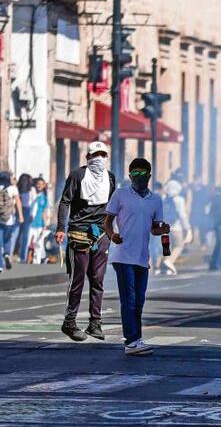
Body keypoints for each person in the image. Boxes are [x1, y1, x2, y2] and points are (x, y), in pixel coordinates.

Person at [104, 158, 168, 356]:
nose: (139, 178)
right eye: (135, 174)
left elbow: (155, 229)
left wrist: (163, 230)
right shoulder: (121, 194)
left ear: (149, 175)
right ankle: (131, 341)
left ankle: (136, 339)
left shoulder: (155, 200)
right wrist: (111, 235)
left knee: (139, 300)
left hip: (142, 257)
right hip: (122, 256)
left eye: (143, 174)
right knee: (129, 299)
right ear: (130, 175)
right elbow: (107, 221)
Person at [57, 141, 117, 342]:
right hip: (79, 234)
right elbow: (65, 201)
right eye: (95, 154)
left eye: (102, 154)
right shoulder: (77, 175)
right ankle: (70, 322)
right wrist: (60, 228)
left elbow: (112, 206)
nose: (99, 158)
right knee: (77, 280)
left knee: (98, 280)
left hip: (101, 235)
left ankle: (95, 323)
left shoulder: (110, 178)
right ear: (88, 157)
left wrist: (113, 231)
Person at [26, 177, 50, 264]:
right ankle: (25, 260)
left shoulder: (44, 198)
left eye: (41, 184)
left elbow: (44, 212)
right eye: (38, 184)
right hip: (29, 224)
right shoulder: (32, 195)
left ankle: (37, 263)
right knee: (27, 243)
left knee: (38, 244)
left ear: (44, 186)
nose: (39, 185)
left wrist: (45, 225)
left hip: (39, 224)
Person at [0, 172, 19, 271]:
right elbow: (18, 202)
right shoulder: (13, 188)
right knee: (7, 239)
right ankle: (7, 254)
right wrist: (21, 215)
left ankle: (0, 265)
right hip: (9, 219)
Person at [14, 173, 34, 263]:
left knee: (16, 234)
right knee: (23, 236)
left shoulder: (17, 189)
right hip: (26, 211)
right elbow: (32, 203)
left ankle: (13, 254)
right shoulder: (31, 190)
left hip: (19, 211)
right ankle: (21, 257)